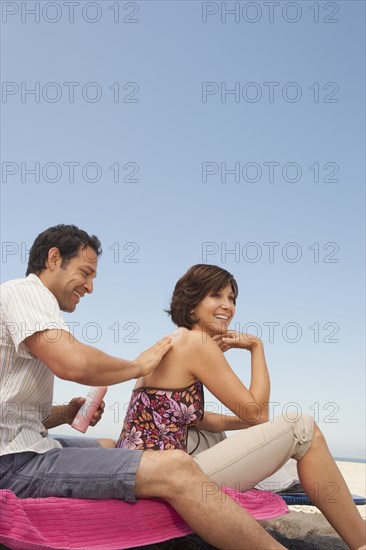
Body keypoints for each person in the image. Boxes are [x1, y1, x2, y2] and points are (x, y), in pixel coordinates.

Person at [0, 225, 292, 550]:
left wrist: (68, 412)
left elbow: (14, 415)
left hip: (27, 444)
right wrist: (138, 366)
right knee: (175, 467)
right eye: (85, 272)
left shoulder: (34, 309)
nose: (90, 287)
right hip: (13, 461)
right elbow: (72, 362)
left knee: (111, 444)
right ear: (54, 258)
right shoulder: (23, 293)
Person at [116, 263, 366, 550]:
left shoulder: (173, 342)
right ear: (192, 304)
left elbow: (194, 420)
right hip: (165, 480)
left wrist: (248, 423)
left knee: (215, 433)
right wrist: (256, 348)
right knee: (301, 427)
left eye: (231, 298)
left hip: (140, 472)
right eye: (216, 295)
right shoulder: (196, 343)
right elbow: (257, 413)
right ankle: (361, 541)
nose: (227, 306)